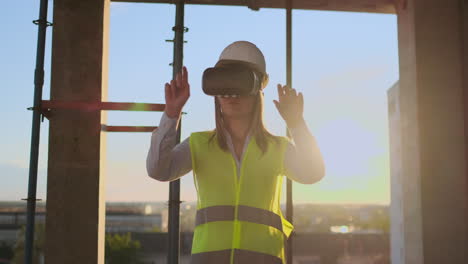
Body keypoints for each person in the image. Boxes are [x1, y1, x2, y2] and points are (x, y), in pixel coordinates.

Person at [146, 41, 325, 264]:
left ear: (257, 89)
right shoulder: (199, 144)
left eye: (238, 84)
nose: (230, 95)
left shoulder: (278, 148)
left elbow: (313, 172)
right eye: (223, 85)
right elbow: (158, 170)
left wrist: (297, 124)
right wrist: (171, 115)